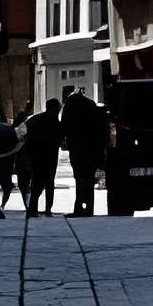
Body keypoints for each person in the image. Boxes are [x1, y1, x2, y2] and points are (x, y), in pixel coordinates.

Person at [61, 86, 109, 216]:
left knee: (79, 178)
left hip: (77, 148)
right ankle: (89, 207)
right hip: (93, 148)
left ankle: (79, 207)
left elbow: (64, 125)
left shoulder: (70, 105)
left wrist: (63, 141)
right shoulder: (90, 104)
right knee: (88, 178)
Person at [24, 98, 62, 217]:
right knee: (49, 183)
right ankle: (47, 209)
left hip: (36, 156)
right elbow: (60, 140)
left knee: (37, 183)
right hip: (50, 157)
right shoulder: (56, 123)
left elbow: (24, 135)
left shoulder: (34, 120)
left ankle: (33, 208)